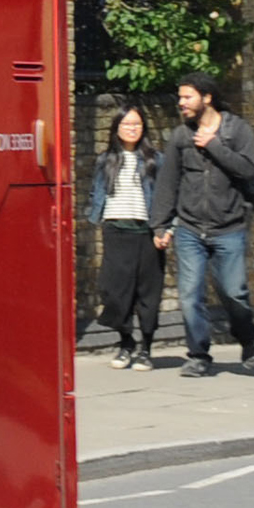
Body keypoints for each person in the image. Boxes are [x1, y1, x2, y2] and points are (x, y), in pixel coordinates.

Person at [152, 71, 254, 376]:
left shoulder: (237, 130)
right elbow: (167, 182)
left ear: (207, 98)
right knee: (190, 295)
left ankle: (247, 342)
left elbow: (248, 171)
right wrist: (160, 226)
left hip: (228, 227)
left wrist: (214, 146)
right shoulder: (180, 136)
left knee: (233, 293)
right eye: (180, 97)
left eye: (187, 97)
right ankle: (199, 355)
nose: (181, 103)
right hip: (190, 228)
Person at [84, 104, 164, 367]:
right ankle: (126, 341)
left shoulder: (155, 159)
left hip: (147, 233)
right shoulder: (105, 159)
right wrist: (96, 216)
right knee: (114, 291)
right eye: (127, 124)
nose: (132, 128)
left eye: (137, 124)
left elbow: (165, 198)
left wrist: (165, 228)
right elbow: (96, 193)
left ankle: (146, 348)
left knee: (147, 293)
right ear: (117, 128)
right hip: (115, 231)